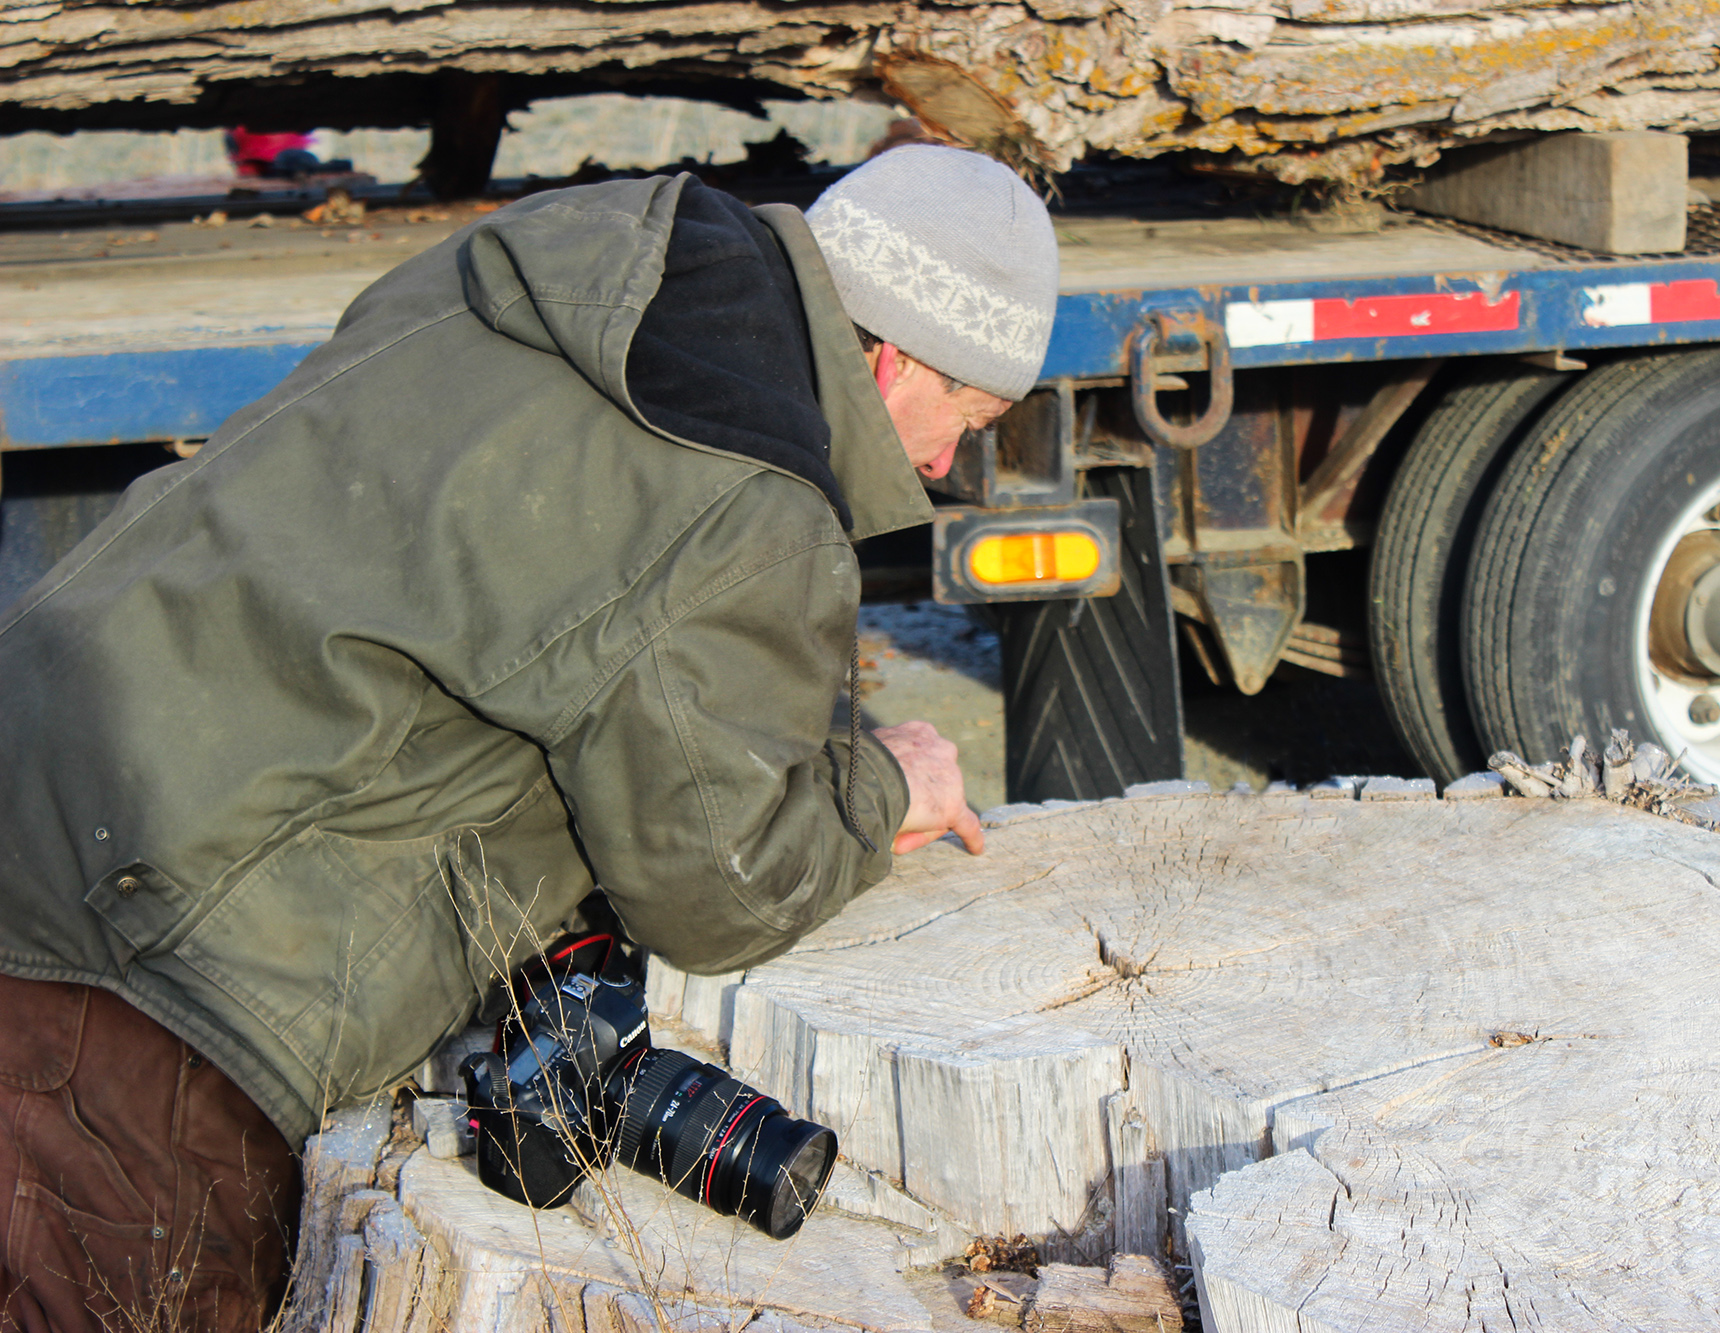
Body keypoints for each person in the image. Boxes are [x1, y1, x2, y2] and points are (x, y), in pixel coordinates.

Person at [0, 143, 1058, 1331]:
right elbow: (721, 886)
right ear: (890, 355)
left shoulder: (569, 257)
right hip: (148, 971)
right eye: (962, 419)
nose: (939, 464)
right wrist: (880, 788)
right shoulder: (746, 498)